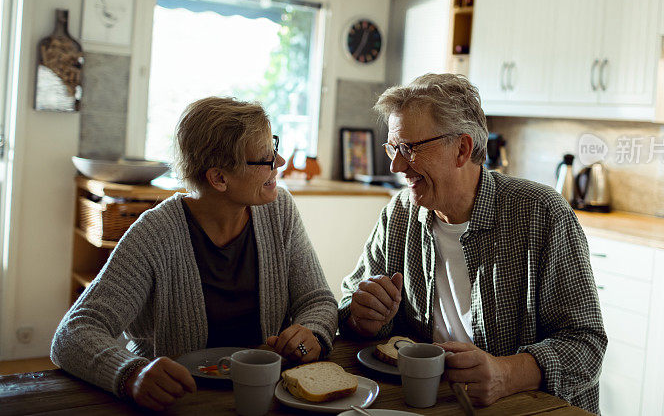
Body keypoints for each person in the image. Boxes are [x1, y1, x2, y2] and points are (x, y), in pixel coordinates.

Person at [338, 74, 606, 412]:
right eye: (393, 147)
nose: (396, 165)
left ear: (462, 149)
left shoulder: (541, 214)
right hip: (439, 402)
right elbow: (349, 302)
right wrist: (364, 315)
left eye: (409, 148)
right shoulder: (400, 215)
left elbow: (587, 345)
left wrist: (507, 373)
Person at [52, 97, 337, 411]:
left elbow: (317, 300)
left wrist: (312, 333)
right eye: (266, 159)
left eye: (275, 148)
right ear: (218, 178)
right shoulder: (155, 232)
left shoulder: (279, 211)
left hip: (265, 395)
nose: (280, 162)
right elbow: (73, 333)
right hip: (178, 402)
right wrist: (130, 373)